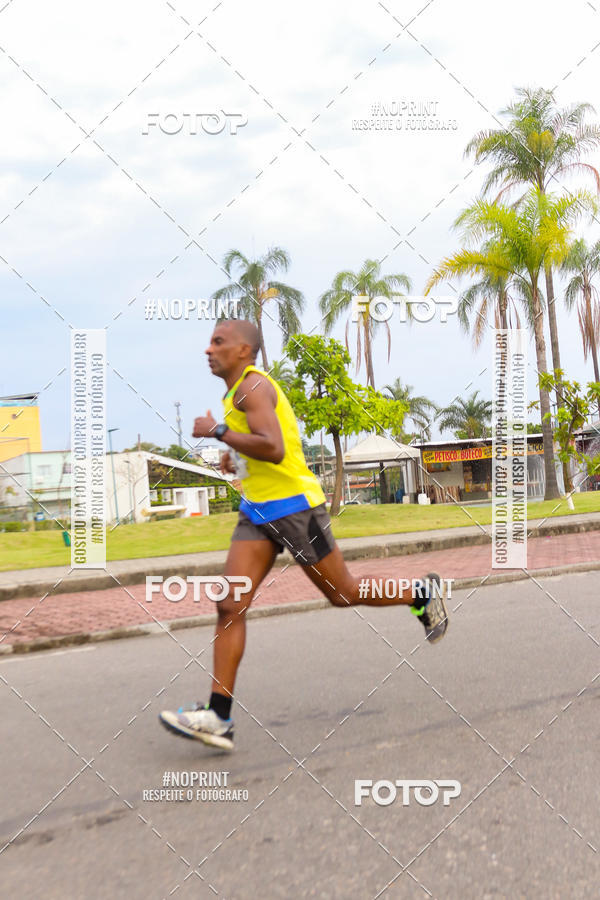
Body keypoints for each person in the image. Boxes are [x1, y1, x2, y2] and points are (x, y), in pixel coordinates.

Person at [159, 320, 448, 750]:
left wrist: (218, 432)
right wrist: (233, 453)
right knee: (229, 603)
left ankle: (419, 592)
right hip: (257, 513)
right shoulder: (237, 392)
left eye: (218, 342)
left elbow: (274, 447)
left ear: (243, 350)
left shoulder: (251, 388)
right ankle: (218, 717)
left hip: (295, 510)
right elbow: (262, 446)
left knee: (343, 592)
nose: (209, 349)